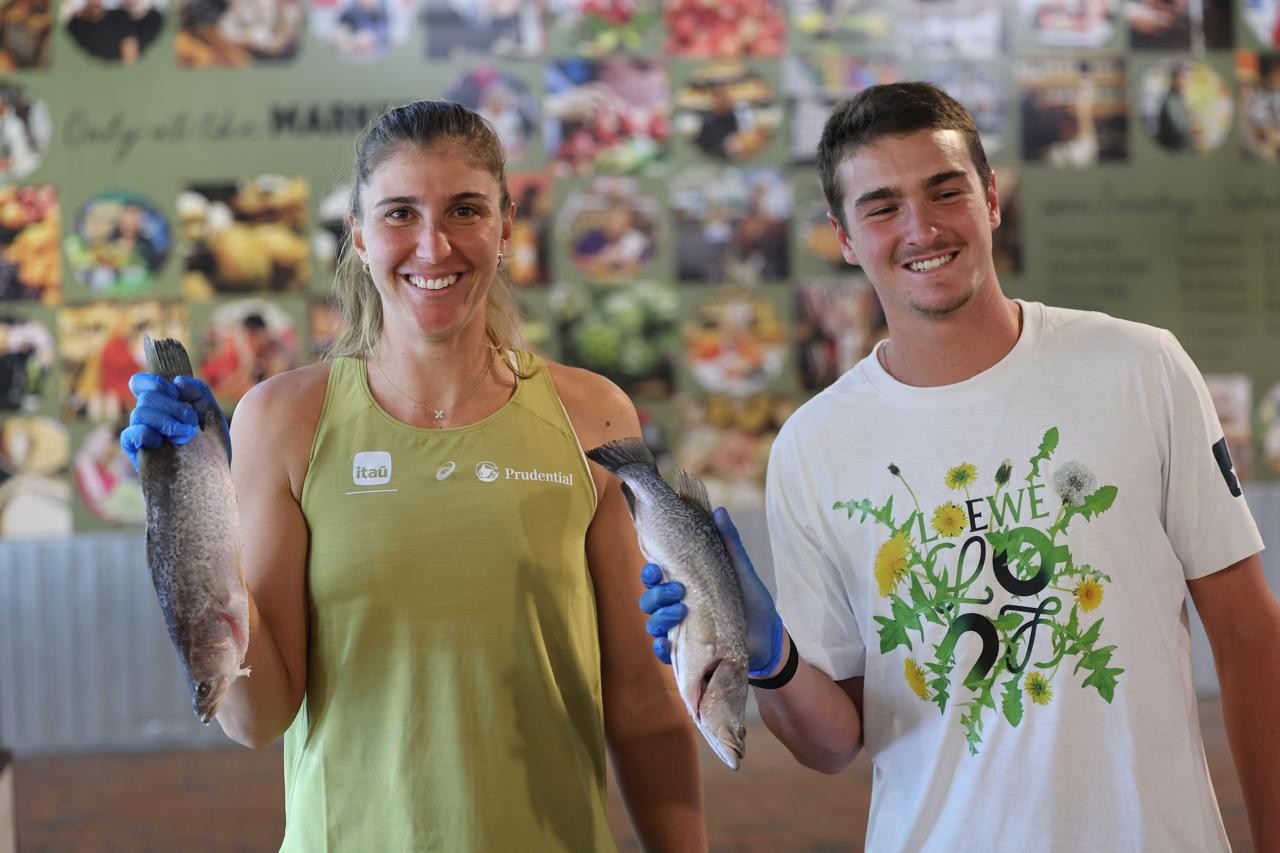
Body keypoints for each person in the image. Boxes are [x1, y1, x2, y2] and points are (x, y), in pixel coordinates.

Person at [639, 82, 1279, 850]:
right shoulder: (813, 444)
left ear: (991, 199)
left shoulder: (1141, 367)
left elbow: (1247, 635)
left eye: (946, 190)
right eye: (881, 206)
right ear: (844, 237)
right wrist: (772, 656)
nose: (921, 227)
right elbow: (833, 741)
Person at [121, 100, 705, 851]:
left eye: (465, 209)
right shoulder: (284, 419)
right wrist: (190, 518)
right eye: (400, 213)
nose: (434, 245)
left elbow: (642, 702)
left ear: (504, 225)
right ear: (360, 236)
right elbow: (256, 715)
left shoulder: (592, 414)